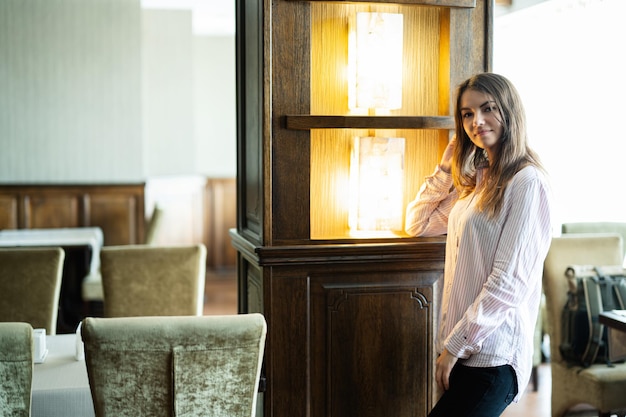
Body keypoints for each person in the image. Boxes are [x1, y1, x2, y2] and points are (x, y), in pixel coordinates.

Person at [405, 72, 552, 417]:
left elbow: (509, 282)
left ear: (509, 111)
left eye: (487, 109)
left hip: (494, 356)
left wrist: (454, 346)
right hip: (464, 354)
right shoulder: (477, 183)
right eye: (467, 114)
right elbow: (417, 223)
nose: (477, 121)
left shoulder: (527, 182)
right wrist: (445, 167)